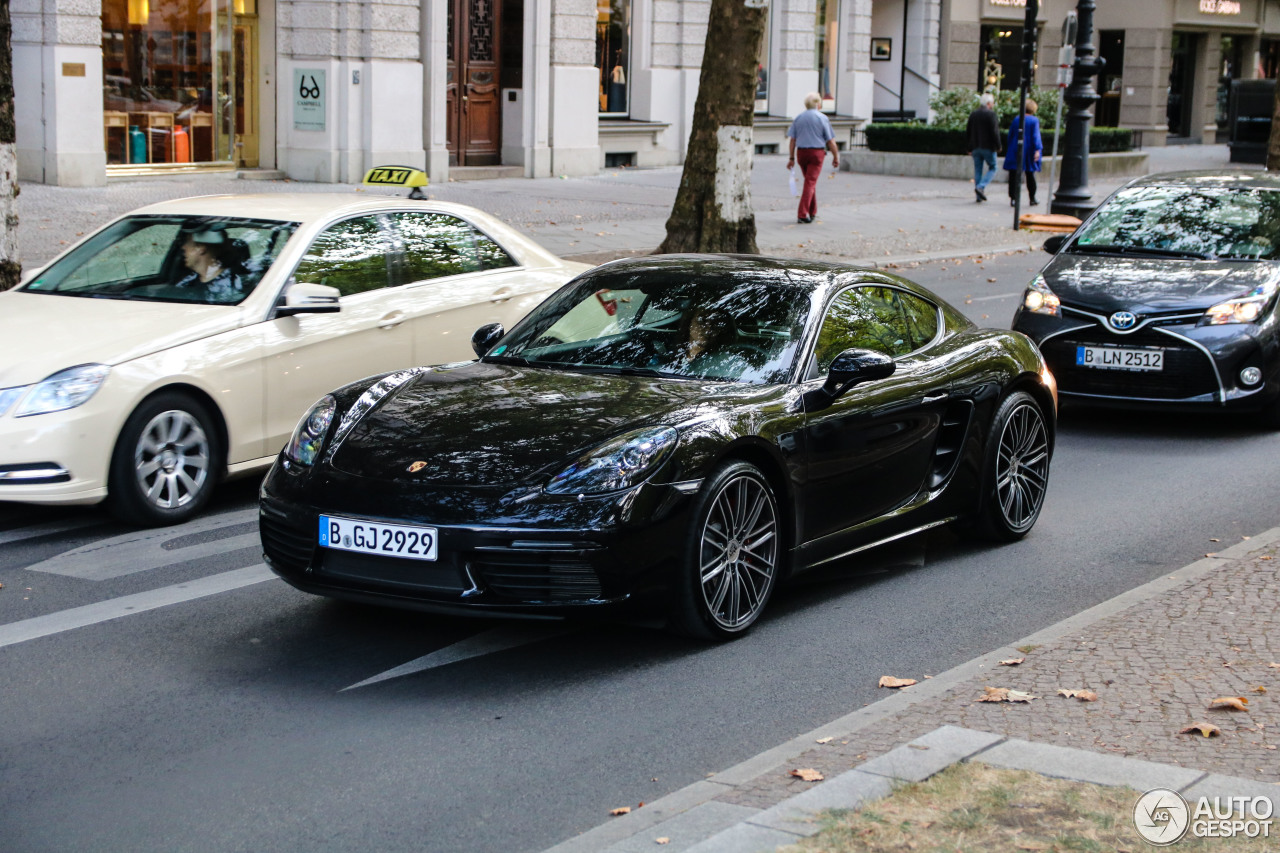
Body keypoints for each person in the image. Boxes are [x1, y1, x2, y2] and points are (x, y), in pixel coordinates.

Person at [786, 93, 840, 224]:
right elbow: (830, 141)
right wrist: (835, 156)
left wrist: (791, 157)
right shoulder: (822, 118)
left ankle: (812, 211)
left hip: (802, 153)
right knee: (810, 182)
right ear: (818, 104)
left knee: (809, 182)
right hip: (816, 153)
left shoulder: (798, 118)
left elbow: (792, 140)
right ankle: (803, 213)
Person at [175, 225, 245, 302]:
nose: (183, 247)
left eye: (188, 243)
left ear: (201, 248)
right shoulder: (187, 283)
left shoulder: (232, 286)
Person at [1003, 99, 1043, 207]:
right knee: (1030, 174)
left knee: (1014, 175)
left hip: (1015, 148)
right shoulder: (1034, 120)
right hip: (1029, 149)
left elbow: (1010, 135)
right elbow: (1036, 136)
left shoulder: (1017, 119)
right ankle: (1032, 198)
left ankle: (1013, 198)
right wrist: (1037, 149)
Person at [965, 92, 1001, 203]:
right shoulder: (991, 114)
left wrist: (968, 147)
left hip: (975, 146)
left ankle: (978, 196)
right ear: (989, 103)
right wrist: (998, 145)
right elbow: (995, 132)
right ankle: (981, 186)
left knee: (978, 170)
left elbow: (968, 131)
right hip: (988, 147)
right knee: (993, 167)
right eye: (993, 103)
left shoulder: (973, 114)